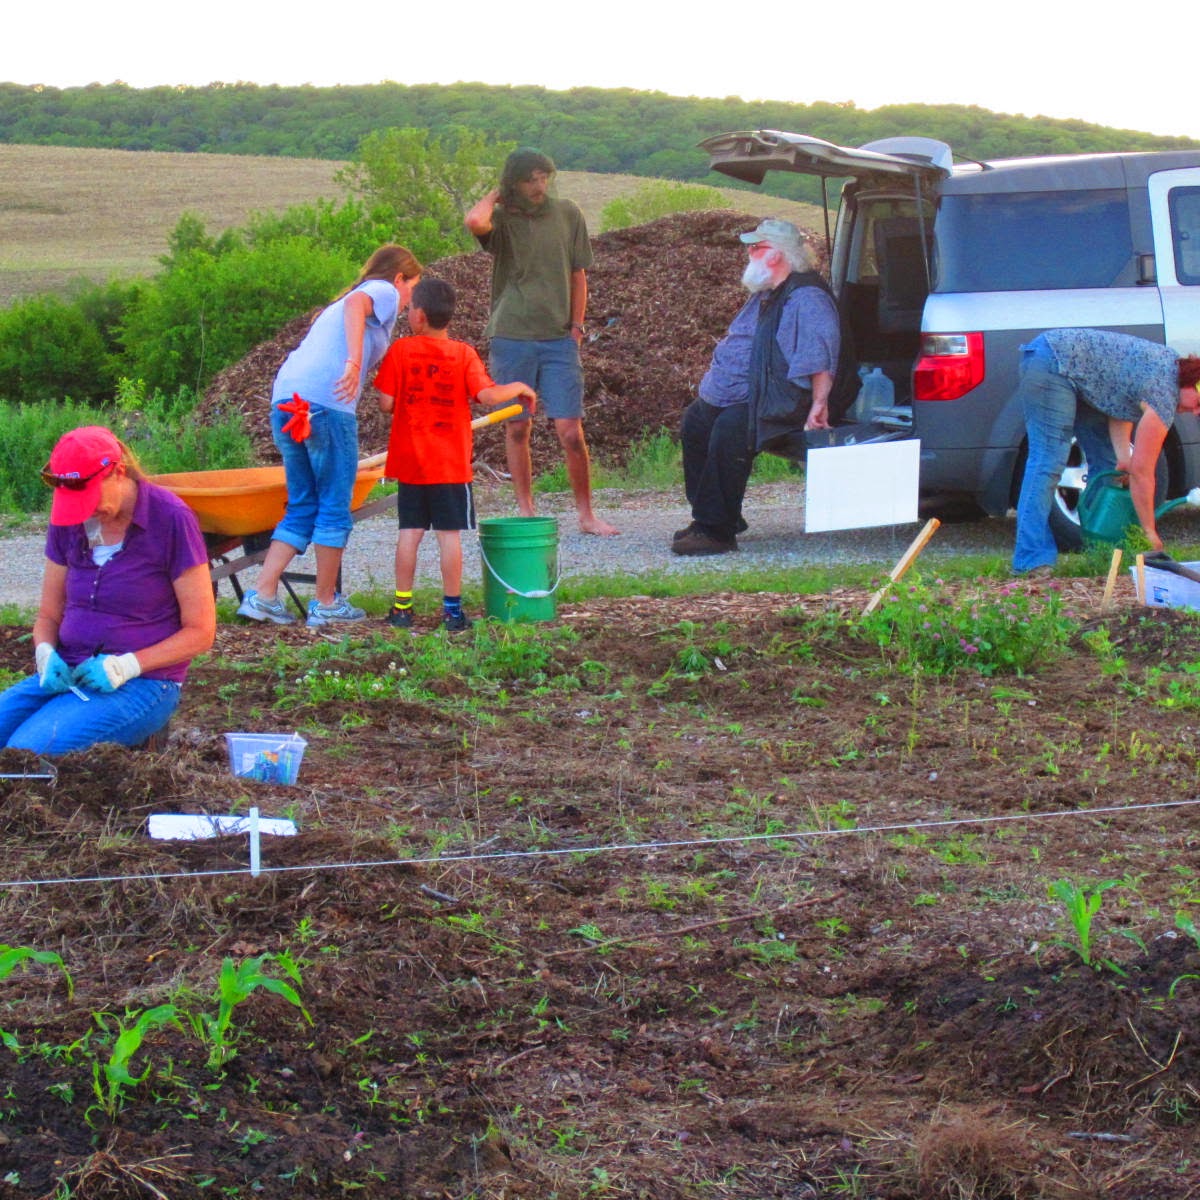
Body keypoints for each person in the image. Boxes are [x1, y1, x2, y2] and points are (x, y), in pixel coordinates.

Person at [237, 244, 423, 628]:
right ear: (400, 278)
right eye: (412, 289)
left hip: (287, 401)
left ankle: (263, 594)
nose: (408, 301)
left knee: (303, 503)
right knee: (335, 504)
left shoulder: (332, 309)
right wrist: (354, 362)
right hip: (326, 406)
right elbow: (359, 305)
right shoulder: (382, 290)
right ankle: (325, 603)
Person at [0, 426, 215, 754]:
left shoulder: (171, 519)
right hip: (71, 670)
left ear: (117, 471)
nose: (83, 512)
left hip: (145, 683)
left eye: (89, 500)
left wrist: (125, 665)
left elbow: (201, 632)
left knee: (26, 753)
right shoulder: (68, 523)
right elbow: (49, 614)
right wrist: (45, 653)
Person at [464, 147, 618, 537]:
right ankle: (527, 511)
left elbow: (578, 274)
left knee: (570, 430)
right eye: (530, 179)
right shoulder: (502, 221)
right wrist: (498, 195)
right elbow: (473, 220)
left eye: (543, 176)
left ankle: (586, 514)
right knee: (517, 428)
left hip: (558, 339)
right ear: (514, 182)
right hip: (512, 335)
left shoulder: (567, 214)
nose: (539, 185)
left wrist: (577, 327)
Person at [373, 278, 537, 632]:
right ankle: (452, 612)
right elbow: (488, 396)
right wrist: (520, 387)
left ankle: (402, 609)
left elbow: (385, 403)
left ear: (417, 315)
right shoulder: (463, 354)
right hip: (449, 464)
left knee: (409, 533)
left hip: (411, 462)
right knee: (450, 536)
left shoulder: (400, 351)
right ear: (448, 317)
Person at [674, 219, 840, 556]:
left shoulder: (806, 297)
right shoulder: (768, 292)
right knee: (696, 422)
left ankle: (716, 532)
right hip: (748, 393)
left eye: (757, 247)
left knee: (730, 429)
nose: (749, 252)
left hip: (781, 399)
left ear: (778, 254)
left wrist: (818, 405)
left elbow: (821, 355)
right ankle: (720, 515)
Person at [1012, 328, 1200, 576]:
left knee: (1108, 463)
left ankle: (1100, 553)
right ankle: (1030, 560)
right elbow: (1143, 472)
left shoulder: (1168, 369)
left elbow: (1119, 404)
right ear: (1191, 384)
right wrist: (1149, 531)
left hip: (1076, 374)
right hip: (1052, 363)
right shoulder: (1164, 393)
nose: (1196, 412)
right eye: (1199, 404)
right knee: (1047, 461)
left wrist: (1124, 457)